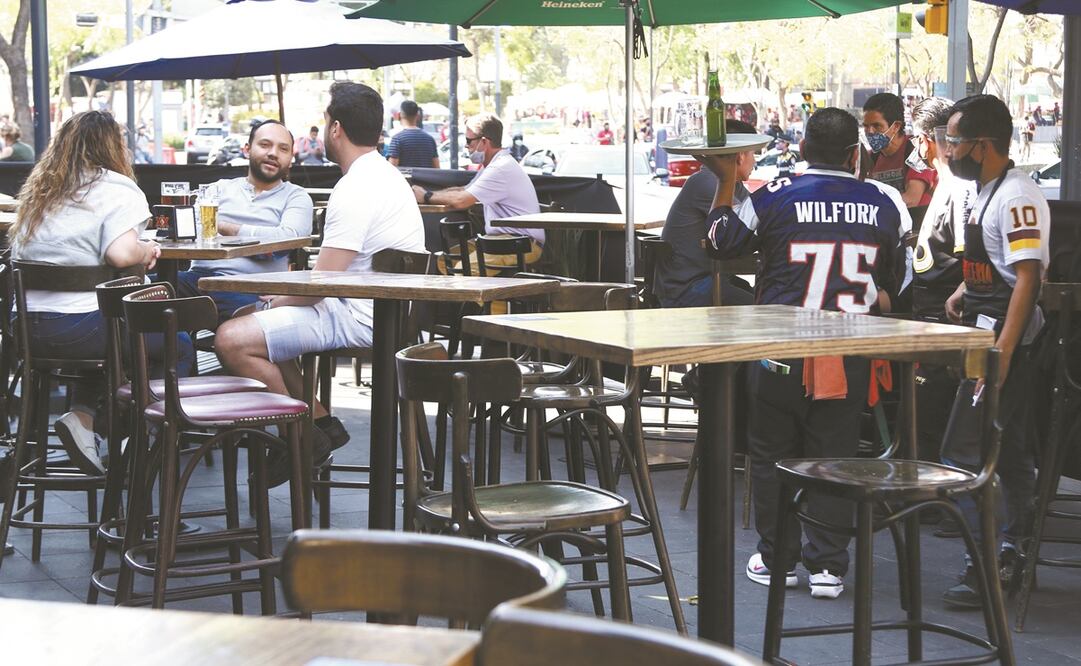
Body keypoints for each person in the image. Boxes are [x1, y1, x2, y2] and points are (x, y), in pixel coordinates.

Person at [699, 107, 910, 600]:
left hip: (780, 350)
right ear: (855, 154)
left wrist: (726, 180)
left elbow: (718, 242)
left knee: (772, 453)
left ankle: (777, 559)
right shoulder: (884, 201)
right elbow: (900, 283)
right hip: (847, 351)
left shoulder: (774, 194)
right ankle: (828, 566)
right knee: (833, 457)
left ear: (801, 148)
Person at [215, 82, 424, 485]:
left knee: (231, 338)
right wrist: (278, 300)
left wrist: (273, 302)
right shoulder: (384, 175)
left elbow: (322, 285)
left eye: (326, 119)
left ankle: (299, 438)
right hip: (380, 306)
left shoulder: (356, 186)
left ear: (336, 129)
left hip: (362, 314)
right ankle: (319, 424)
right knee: (256, 322)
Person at [10, 110, 193, 474]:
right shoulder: (116, 187)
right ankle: (139, 448)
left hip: (28, 331)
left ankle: (85, 418)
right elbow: (121, 253)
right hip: (82, 330)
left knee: (117, 336)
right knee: (178, 342)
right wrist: (148, 250)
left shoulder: (42, 189)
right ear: (114, 146)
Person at [939, 94, 1049, 608]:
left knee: (965, 453)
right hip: (983, 332)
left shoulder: (1018, 196)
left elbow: (1028, 278)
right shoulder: (982, 191)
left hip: (1010, 343)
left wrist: (1000, 356)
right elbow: (997, 261)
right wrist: (964, 289)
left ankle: (989, 562)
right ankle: (1007, 549)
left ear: (983, 146)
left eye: (955, 141)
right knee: (1006, 451)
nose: (947, 150)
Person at [174, 120, 314, 319]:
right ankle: (180, 348)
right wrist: (261, 241)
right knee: (144, 291)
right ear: (247, 149)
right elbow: (192, 230)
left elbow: (284, 240)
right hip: (198, 281)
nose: (273, 153)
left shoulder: (296, 197)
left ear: (291, 158)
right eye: (265, 145)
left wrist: (224, 227)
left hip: (251, 288)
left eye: (283, 149)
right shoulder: (218, 189)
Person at [910, 97, 976, 468]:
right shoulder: (946, 186)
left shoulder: (960, 189)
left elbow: (971, 258)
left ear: (927, 139)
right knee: (928, 420)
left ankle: (945, 500)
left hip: (946, 327)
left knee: (939, 419)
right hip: (929, 323)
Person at [412, 113, 543, 269]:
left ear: (483, 142)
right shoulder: (496, 164)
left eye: (468, 141)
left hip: (520, 244)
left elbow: (462, 200)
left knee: (460, 270)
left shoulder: (499, 168)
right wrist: (430, 194)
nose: (466, 146)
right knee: (446, 262)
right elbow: (464, 190)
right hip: (508, 240)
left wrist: (426, 196)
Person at [654, 119, 757, 308]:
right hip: (686, 289)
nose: (755, 161)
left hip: (713, 279)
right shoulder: (705, 182)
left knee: (762, 297)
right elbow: (746, 223)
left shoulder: (735, 187)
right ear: (741, 156)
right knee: (762, 309)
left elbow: (760, 213)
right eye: (753, 153)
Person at [862, 92, 936, 208]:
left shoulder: (918, 151)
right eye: (866, 126)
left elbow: (912, 199)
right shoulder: (870, 158)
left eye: (877, 126)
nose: (870, 132)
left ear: (896, 126)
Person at [387, 100, 438, 168]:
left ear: (400, 115)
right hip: (426, 179)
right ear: (418, 116)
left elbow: (392, 169)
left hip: (405, 179)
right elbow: (437, 168)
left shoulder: (397, 139)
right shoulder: (430, 139)